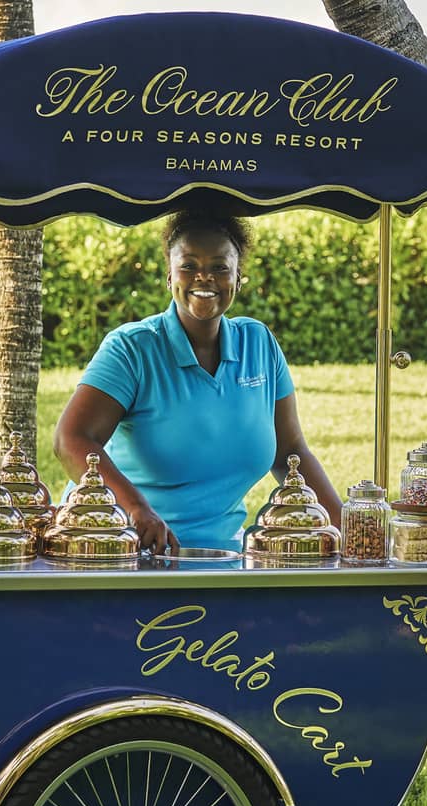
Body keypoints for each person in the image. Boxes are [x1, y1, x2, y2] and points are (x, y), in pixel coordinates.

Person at [53, 210, 342, 555]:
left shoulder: (259, 343)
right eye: (189, 266)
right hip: (119, 549)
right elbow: (70, 439)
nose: (204, 277)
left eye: (220, 267)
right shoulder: (132, 348)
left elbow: (290, 450)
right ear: (169, 275)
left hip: (221, 556)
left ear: (238, 277)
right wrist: (136, 510)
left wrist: (346, 527)